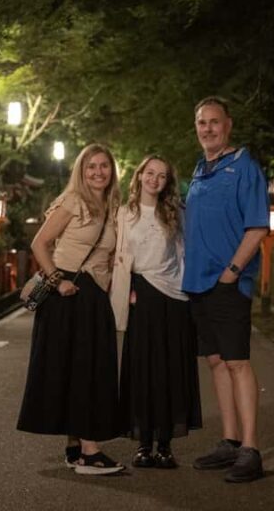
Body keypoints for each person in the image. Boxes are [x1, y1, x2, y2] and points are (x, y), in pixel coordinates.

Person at [17, 143, 125, 475]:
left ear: (112, 170)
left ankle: (75, 448)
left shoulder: (111, 205)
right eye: (91, 166)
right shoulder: (73, 201)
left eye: (104, 166)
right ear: (81, 170)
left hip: (92, 295)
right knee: (85, 370)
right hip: (69, 295)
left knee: (79, 369)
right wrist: (57, 279)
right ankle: (91, 453)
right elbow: (39, 242)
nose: (98, 172)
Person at [183, 97, 269, 483]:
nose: (207, 128)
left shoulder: (244, 168)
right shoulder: (201, 170)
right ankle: (229, 441)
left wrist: (233, 272)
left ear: (228, 125)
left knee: (237, 362)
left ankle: (251, 449)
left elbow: (257, 226)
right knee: (216, 361)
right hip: (199, 284)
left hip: (227, 282)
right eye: (202, 123)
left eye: (214, 122)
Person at [113, 154, 202, 470]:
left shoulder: (176, 213)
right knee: (143, 370)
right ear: (139, 176)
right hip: (141, 295)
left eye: (161, 176)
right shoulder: (123, 214)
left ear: (167, 182)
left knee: (170, 371)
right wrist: (126, 289)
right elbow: (117, 257)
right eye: (149, 173)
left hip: (174, 298)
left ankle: (165, 445)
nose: (154, 179)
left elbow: (186, 255)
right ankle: (143, 444)